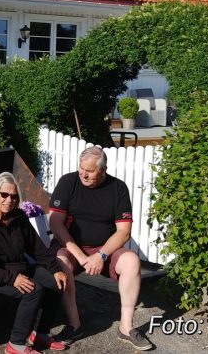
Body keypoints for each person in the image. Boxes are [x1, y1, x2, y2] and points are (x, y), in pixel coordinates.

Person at [48, 146, 153, 351]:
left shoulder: (118, 188)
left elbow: (124, 232)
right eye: (81, 168)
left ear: (103, 170)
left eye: (89, 170)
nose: (83, 174)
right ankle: (74, 324)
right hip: (70, 246)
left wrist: (101, 255)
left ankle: (126, 327)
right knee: (61, 262)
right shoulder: (68, 182)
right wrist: (79, 255)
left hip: (105, 248)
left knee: (132, 261)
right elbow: (55, 223)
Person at [0, 172, 69, 354]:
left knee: (56, 283)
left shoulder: (19, 216)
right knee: (34, 290)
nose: (9, 200)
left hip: (19, 267)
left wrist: (55, 269)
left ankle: (40, 334)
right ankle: (15, 344)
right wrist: (12, 278)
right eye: (4, 195)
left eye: (14, 196)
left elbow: (37, 248)